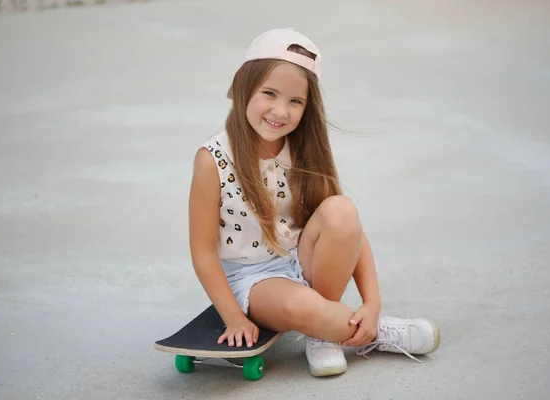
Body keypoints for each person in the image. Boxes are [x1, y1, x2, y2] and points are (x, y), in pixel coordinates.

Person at [188, 28, 440, 377]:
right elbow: (202, 251)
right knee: (309, 309)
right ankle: (368, 331)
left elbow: (351, 232)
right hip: (254, 278)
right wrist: (233, 317)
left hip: (301, 259)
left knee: (341, 209)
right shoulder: (212, 159)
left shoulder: (302, 147)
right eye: (269, 94)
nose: (280, 111)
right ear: (245, 88)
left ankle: (323, 335)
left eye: (296, 101)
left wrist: (372, 301)